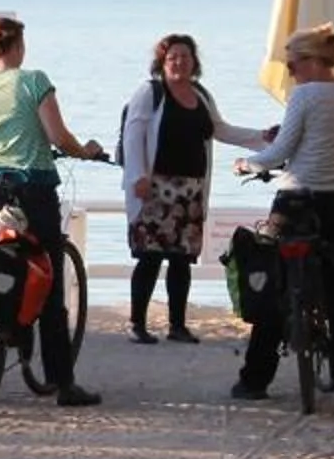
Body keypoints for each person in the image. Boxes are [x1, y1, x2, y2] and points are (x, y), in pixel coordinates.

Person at [0, 17, 111, 408]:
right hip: (33, 190)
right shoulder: (34, 81)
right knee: (48, 283)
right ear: (18, 46)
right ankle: (63, 383)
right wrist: (85, 151)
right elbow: (57, 136)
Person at [233, 22, 334, 398]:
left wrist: (246, 163)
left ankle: (255, 380)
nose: (291, 72)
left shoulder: (303, 97)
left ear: (311, 60)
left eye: (292, 64)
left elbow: (278, 154)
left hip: (297, 199)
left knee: (276, 284)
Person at [116, 33, 274, 343]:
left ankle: (177, 325)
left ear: (194, 62)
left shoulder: (201, 94)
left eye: (185, 57)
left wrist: (263, 137)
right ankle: (137, 324)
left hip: (191, 190)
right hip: (155, 188)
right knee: (148, 257)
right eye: (172, 57)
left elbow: (220, 129)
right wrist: (138, 177)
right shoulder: (150, 92)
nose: (179, 62)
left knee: (181, 259)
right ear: (162, 62)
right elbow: (133, 136)